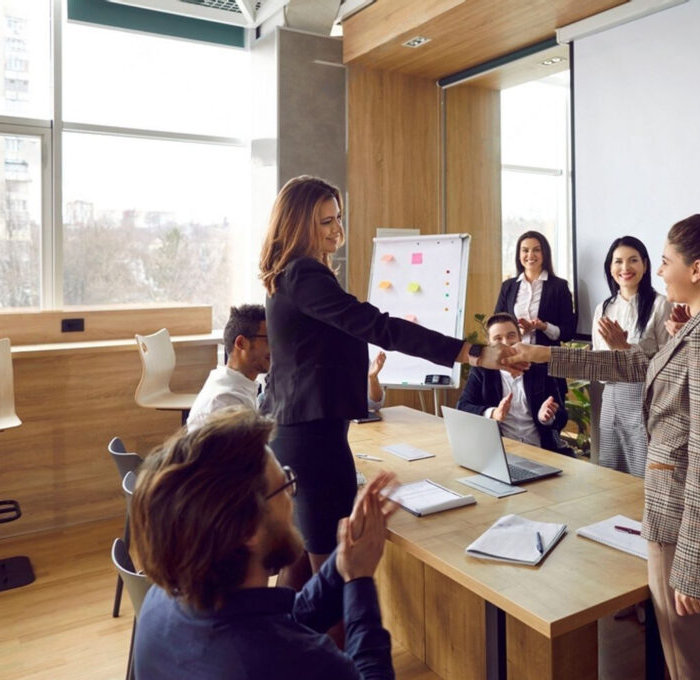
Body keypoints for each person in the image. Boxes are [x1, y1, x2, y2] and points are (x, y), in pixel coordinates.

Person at [508, 213, 700, 680]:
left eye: (666, 261)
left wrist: (691, 563)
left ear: (698, 270)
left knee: (693, 665)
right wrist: (544, 354)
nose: (660, 269)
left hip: (690, 524)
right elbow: (640, 366)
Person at [259, 175, 516, 580]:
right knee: (334, 576)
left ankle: (294, 645)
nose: (337, 229)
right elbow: (380, 327)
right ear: (298, 224)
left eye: (338, 218)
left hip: (297, 433)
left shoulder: (287, 276)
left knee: (302, 570)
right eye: (325, 221)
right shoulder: (305, 275)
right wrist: (471, 352)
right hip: (314, 440)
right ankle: (331, 646)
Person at [130, 407, 399, 680]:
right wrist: (360, 580)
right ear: (248, 529)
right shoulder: (294, 661)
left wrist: (343, 561)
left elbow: (281, 622)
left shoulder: (160, 601)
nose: (292, 499)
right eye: (284, 487)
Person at [592, 236, 673, 477]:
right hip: (611, 398)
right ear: (610, 268)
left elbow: (667, 363)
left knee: (643, 472)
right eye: (618, 262)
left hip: (645, 400)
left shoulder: (661, 304)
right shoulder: (603, 308)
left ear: (645, 265)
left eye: (633, 260)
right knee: (609, 470)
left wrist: (625, 349)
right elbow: (599, 362)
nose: (625, 268)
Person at [457, 312, 570, 454]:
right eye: (498, 339)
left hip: (540, 451)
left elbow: (562, 417)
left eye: (511, 336)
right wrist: (493, 413)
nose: (506, 343)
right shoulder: (482, 372)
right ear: (489, 344)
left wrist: (547, 417)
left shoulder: (540, 370)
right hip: (500, 453)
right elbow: (463, 406)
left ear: (520, 337)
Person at [186, 304, 269, 431]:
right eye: (268, 340)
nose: (276, 347)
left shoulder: (239, 386)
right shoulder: (227, 401)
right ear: (241, 343)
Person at [493, 230, 577, 346]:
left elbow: (568, 332)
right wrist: (519, 332)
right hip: (513, 357)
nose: (530, 255)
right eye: (525, 250)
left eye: (537, 250)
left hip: (544, 359)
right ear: (519, 255)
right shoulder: (508, 286)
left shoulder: (559, 287)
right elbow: (496, 325)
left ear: (545, 253)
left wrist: (544, 327)